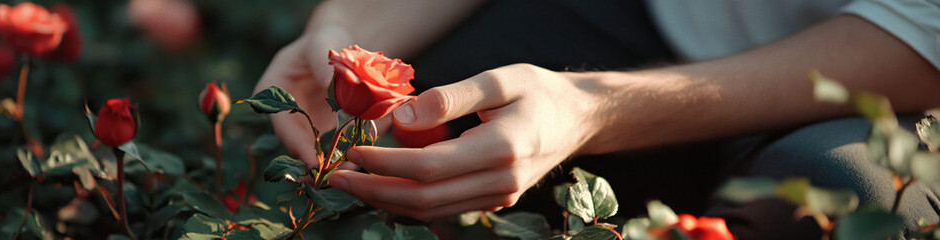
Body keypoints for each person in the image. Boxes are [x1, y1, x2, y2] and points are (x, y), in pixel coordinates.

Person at [254, 0, 940, 238]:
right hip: (639, 15)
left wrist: (592, 109)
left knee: (851, 203)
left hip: (878, 82)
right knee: (424, 132)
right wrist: (346, 33)